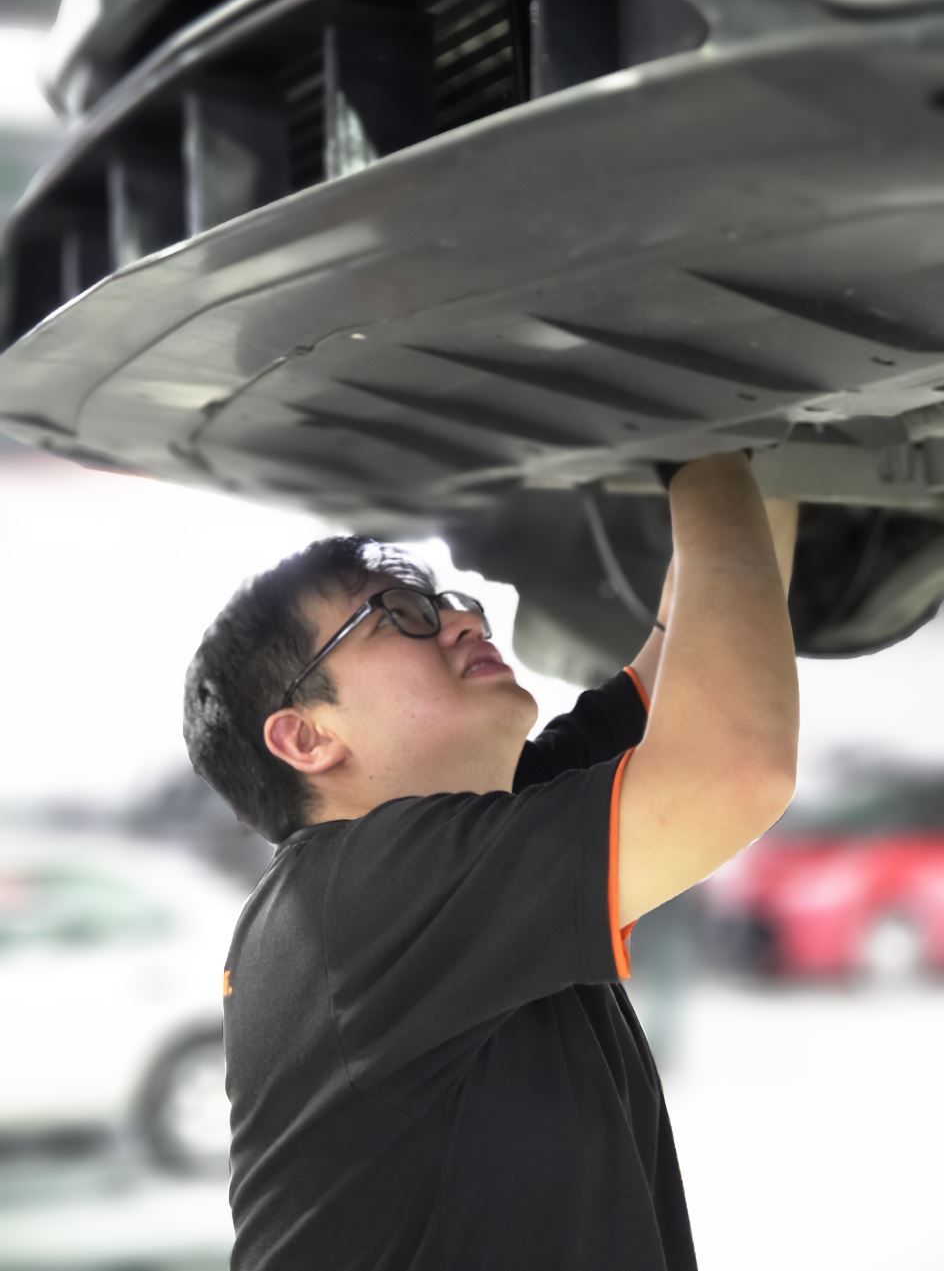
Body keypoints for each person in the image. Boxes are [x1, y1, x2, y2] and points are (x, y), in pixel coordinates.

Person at [182, 449, 800, 1271]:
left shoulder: (469, 834)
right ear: (308, 735)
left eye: (444, 602)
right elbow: (735, 770)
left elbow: (700, 646)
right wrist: (710, 455)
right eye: (398, 616)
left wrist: (775, 437)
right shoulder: (357, 900)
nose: (463, 621)